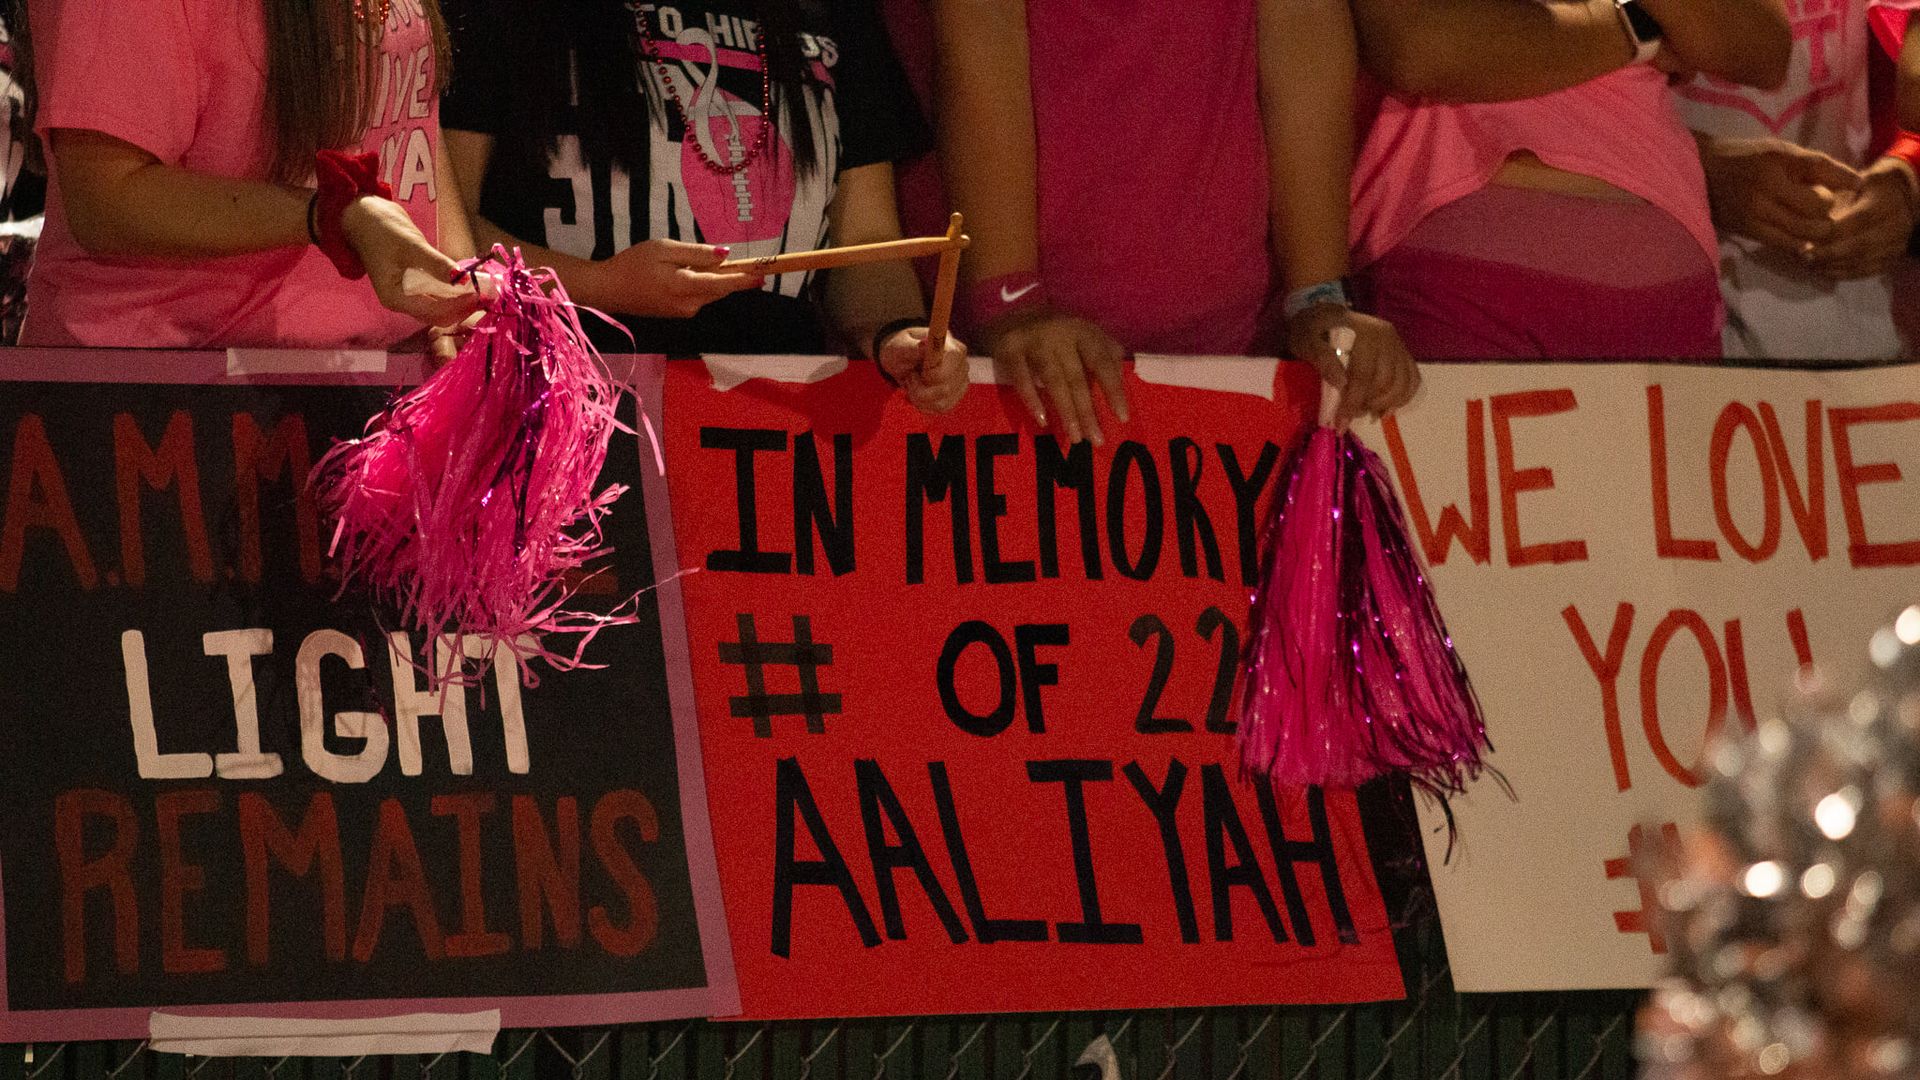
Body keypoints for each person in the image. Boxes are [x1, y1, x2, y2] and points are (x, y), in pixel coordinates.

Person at [912, 0, 1419, 446]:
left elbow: (1300, 27)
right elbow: (980, 22)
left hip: (1238, 352)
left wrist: (1317, 295)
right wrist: (1010, 301)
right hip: (991, 366)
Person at [440, 0, 970, 416]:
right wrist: (603, 285)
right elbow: (442, 227)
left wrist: (897, 337)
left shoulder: (831, 10)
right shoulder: (504, 10)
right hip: (562, 417)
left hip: (773, 438)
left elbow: (867, 241)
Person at [20, 0, 483, 350]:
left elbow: (405, 113)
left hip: (365, 382)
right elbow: (106, 199)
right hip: (174, 400)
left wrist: (457, 290)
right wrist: (331, 216)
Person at [1349, 0, 1793, 361]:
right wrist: (1636, 30)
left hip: (1666, 270)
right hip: (1471, 272)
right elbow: (1420, 49)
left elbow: (1763, 49)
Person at [1681, 0, 1920, 362]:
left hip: (1850, 315)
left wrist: (1906, 174)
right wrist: (1696, 168)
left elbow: (1909, 87)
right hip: (1669, 310)